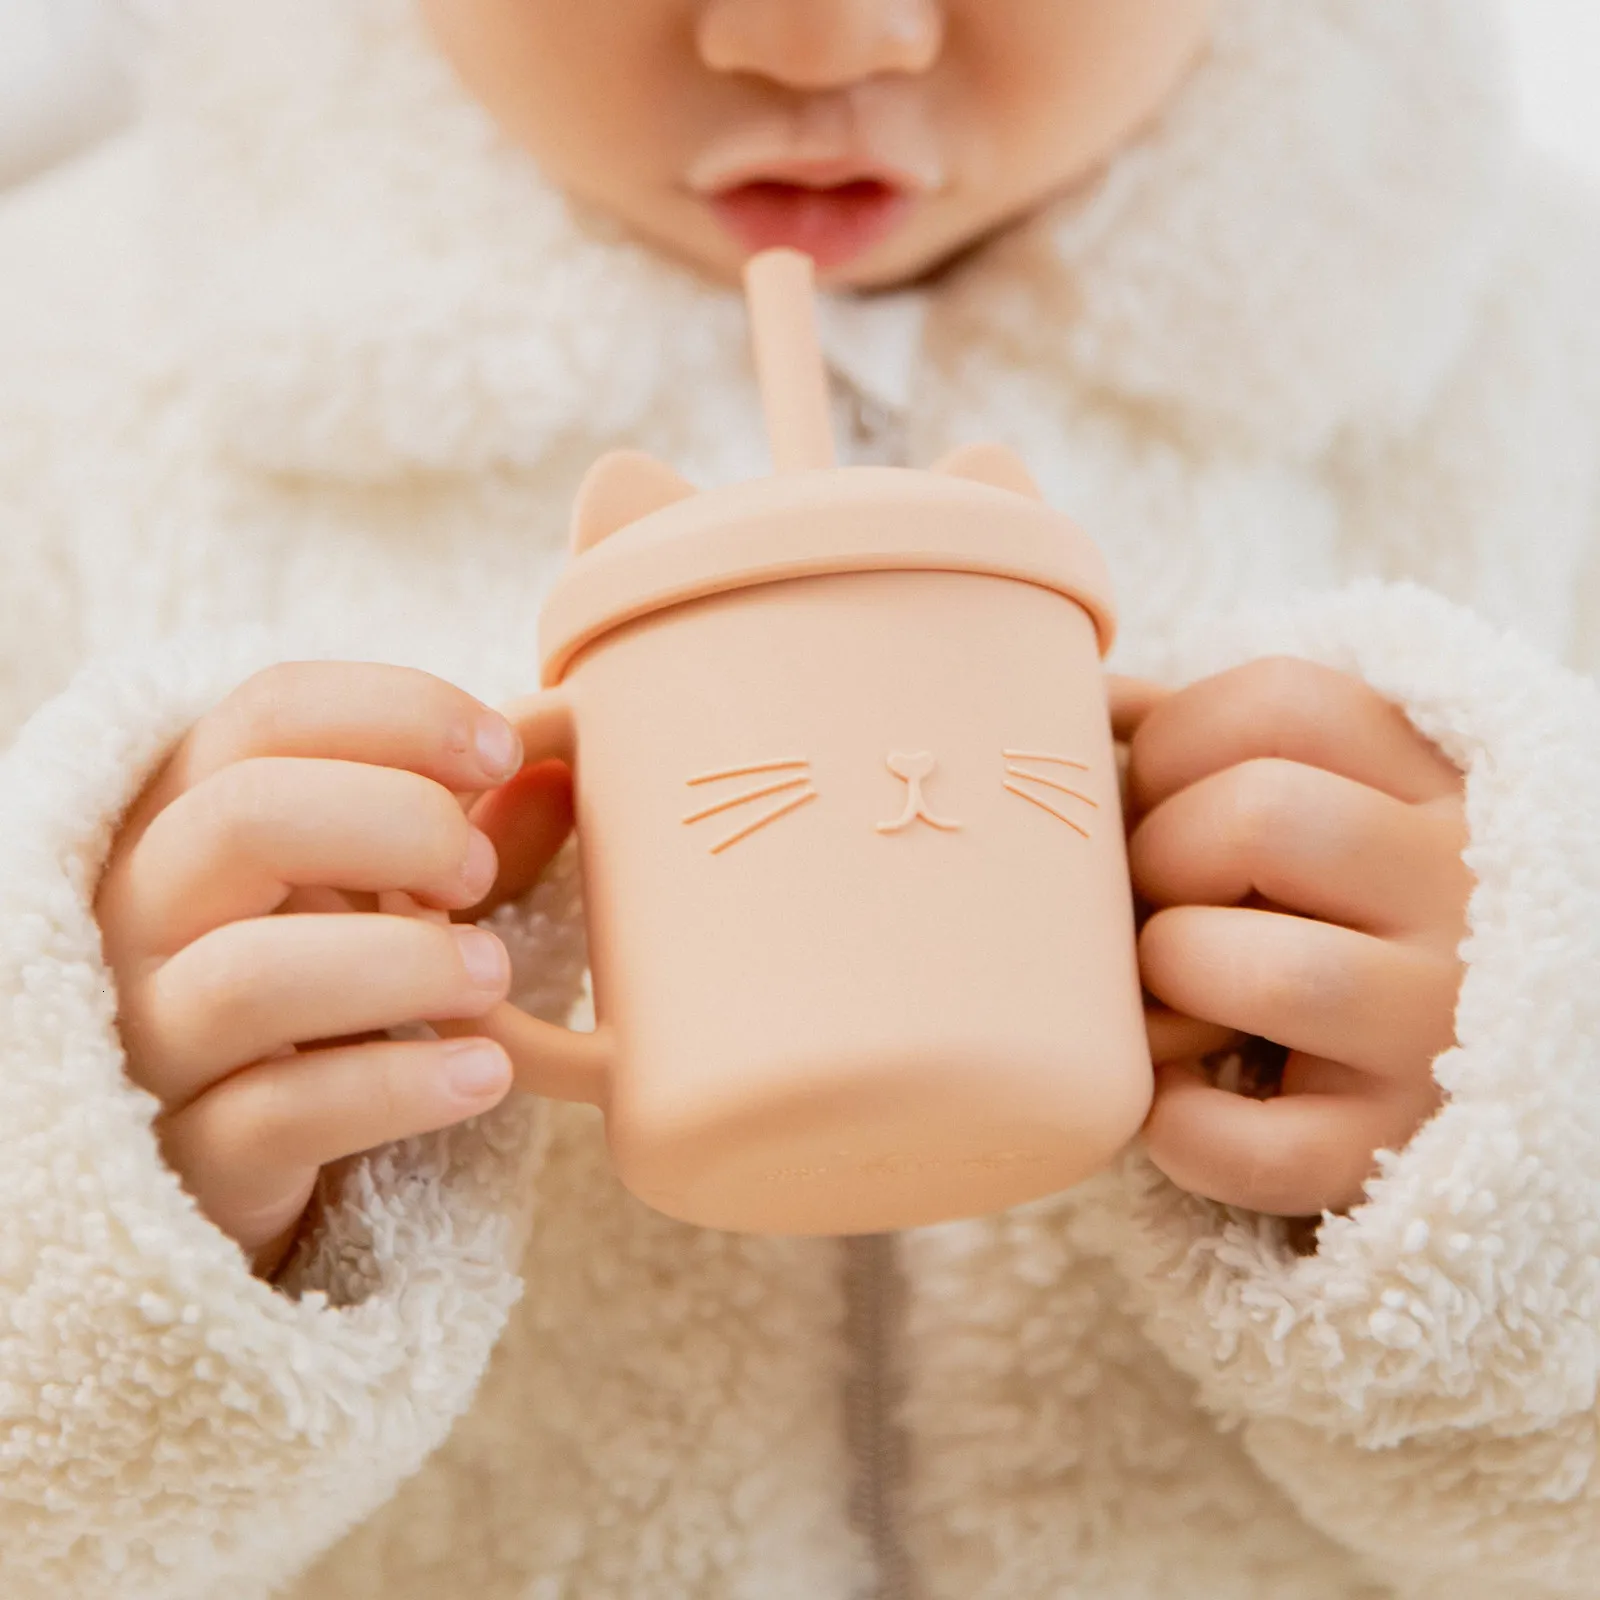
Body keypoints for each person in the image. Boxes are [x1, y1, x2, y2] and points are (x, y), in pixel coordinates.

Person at [2, 1, 1598, 1595]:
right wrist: (100, 1187)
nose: (826, 43)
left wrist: (1535, 1123)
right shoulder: (58, 389)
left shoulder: (1546, 366)